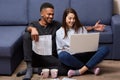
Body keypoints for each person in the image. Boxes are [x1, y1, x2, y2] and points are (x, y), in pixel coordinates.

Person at [56, 8, 109, 77]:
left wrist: (90, 46)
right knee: (62, 55)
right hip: (73, 57)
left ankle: (80, 71)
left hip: (85, 54)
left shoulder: (81, 28)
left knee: (105, 49)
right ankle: (90, 68)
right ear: (65, 18)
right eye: (70, 18)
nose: (72, 21)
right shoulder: (59, 32)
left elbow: (87, 42)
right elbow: (59, 50)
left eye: (74, 18)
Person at [16, 2, 62, 80]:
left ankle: (35, 70)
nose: (51, 16)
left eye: (52, 14)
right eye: (49, 14)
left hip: (50, 58)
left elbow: (69, 26)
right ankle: (29, 67)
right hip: (37, 57)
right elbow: (27, 28)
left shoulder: (56, 24)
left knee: (65, 66)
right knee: (26, 35)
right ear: (42, 14)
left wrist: (86, 28)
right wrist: (32, 29)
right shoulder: (34, 24)